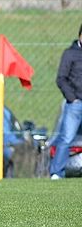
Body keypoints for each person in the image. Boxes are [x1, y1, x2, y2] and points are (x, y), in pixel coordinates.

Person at [49, 23, 82, 179]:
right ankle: (56, 172)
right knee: (66, 138)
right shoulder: (70, 54)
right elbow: (61, 79)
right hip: (75, 105)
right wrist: (72, 99)